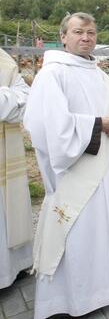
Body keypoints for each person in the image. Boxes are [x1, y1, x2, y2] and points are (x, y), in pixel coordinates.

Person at [24, 13, 109, 318]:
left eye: (91, 32)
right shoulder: (53, 74)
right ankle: (69, 298)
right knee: (79, 229)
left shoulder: (98, 73)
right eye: (78, 32)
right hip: (77, 169)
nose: (86, 37)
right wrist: (97, 124)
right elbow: (48, 125)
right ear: (63, 36)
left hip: (107, 163)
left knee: (103, 225)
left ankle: (104, 285)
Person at [0, 49, 32, 290]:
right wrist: (9, 98)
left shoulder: (3, 59)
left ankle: (13, 267)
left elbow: (26, 99)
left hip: (8, 150)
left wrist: (6, 100)